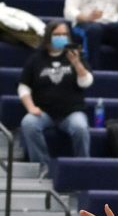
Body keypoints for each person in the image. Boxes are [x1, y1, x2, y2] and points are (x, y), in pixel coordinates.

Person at [19, 21, 92, 170]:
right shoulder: (36, 59)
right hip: (44, 112)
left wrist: (77, 63)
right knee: (29, 123)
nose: (61, 37)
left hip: (71, 111)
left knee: (80, 128)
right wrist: (31, 107)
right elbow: (23, 86)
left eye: (64, 35)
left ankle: (83, 169)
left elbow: (86, 83)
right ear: (48, 36)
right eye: (57, 35)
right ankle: (43, 167)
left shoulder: (76, 55)